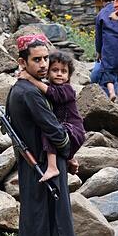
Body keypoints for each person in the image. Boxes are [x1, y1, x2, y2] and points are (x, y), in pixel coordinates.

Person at [8, 35, 77, 236]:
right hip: (45, 168)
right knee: (50, 227)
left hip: (34, 167)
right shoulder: (30, 92)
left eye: (46, 58)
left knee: (35, 223)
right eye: (36, 60)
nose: (44, 65)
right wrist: (68, 150)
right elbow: (56, 132)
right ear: (22, 62)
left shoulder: (20, 88)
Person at [20, 50, 86, 182]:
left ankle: (52, 167)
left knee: (50, 131)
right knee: (53, 129)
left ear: (69, 75)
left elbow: (52, 93)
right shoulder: (48, 86)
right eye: (55, 70)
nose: (59, 74)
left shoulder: (67, 89)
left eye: (64, 71)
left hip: (74, 129)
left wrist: (30, 78)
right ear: (48, 72)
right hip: (66, 128)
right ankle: (70, 159)